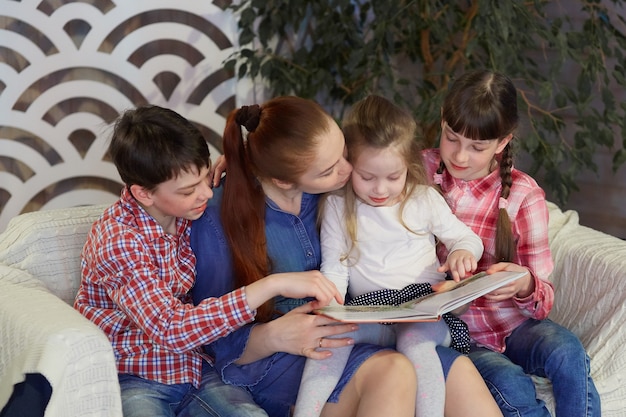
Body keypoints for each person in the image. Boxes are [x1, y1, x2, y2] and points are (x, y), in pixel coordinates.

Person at [192, 95, 503, 417]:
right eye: (330, 168)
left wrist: (242, 156)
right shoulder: (218, 220)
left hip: (368, 328)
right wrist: (272, 336)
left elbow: (383, 150)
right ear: (283, 179)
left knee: (463, 377)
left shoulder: (339, 187)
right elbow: (209, 337)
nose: (348, 169)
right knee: (394, 371)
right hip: (279, 357)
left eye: (344, 153)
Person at [74, 104, 343, 417]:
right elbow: (170, 328)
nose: (205, 193)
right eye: (189, 190)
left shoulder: (187, 214)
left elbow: (292, 157)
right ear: (143, 194)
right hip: (135, 375)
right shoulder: (117, 240)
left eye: (205, 177)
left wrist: (247, 163)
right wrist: (271, 284)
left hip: (197, 370)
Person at [423, 69, 601, 417]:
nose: (459, 156)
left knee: (567, 351)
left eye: (477, 147)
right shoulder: (419, 171)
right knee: (511, 382)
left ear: (503, 142)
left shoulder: (523, 195)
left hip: (512, 323)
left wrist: (523, 283)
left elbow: (543, 298)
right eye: (451, 137)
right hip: (456, 333)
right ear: (442, 121)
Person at [294, 94, 484, 417]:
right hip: (369, 310)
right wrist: (332, 305)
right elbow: (335, 267)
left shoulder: (423, 200)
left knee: (416, 343)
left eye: (393, 178)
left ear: (408, 167)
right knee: (330, 337)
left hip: (422, 310)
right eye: (367, 177)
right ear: (349, 165)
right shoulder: (339, 207)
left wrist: (462, 252)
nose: (380, 189)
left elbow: (467, 238)